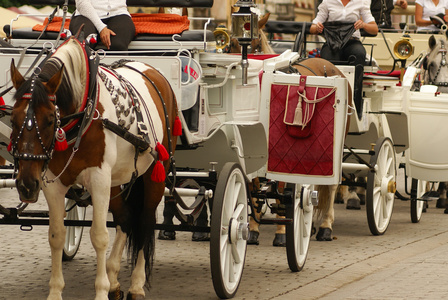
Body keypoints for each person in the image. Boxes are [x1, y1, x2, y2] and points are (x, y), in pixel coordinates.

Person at [310, 0, 378, 118]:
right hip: (332, 42)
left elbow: (374, 29)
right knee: (329, 61)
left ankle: (356, 102)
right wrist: (318, 27)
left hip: (352, 41)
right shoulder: (328, 2)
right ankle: (327, 102)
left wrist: (363, 25)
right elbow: (312, 28)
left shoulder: (360, 2)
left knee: (358, 54)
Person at [69, 0, 135, 50]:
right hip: (85, 15)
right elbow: (81, 3)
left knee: (118, 45)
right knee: (84, 44)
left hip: (118, 13)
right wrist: (101, 28)